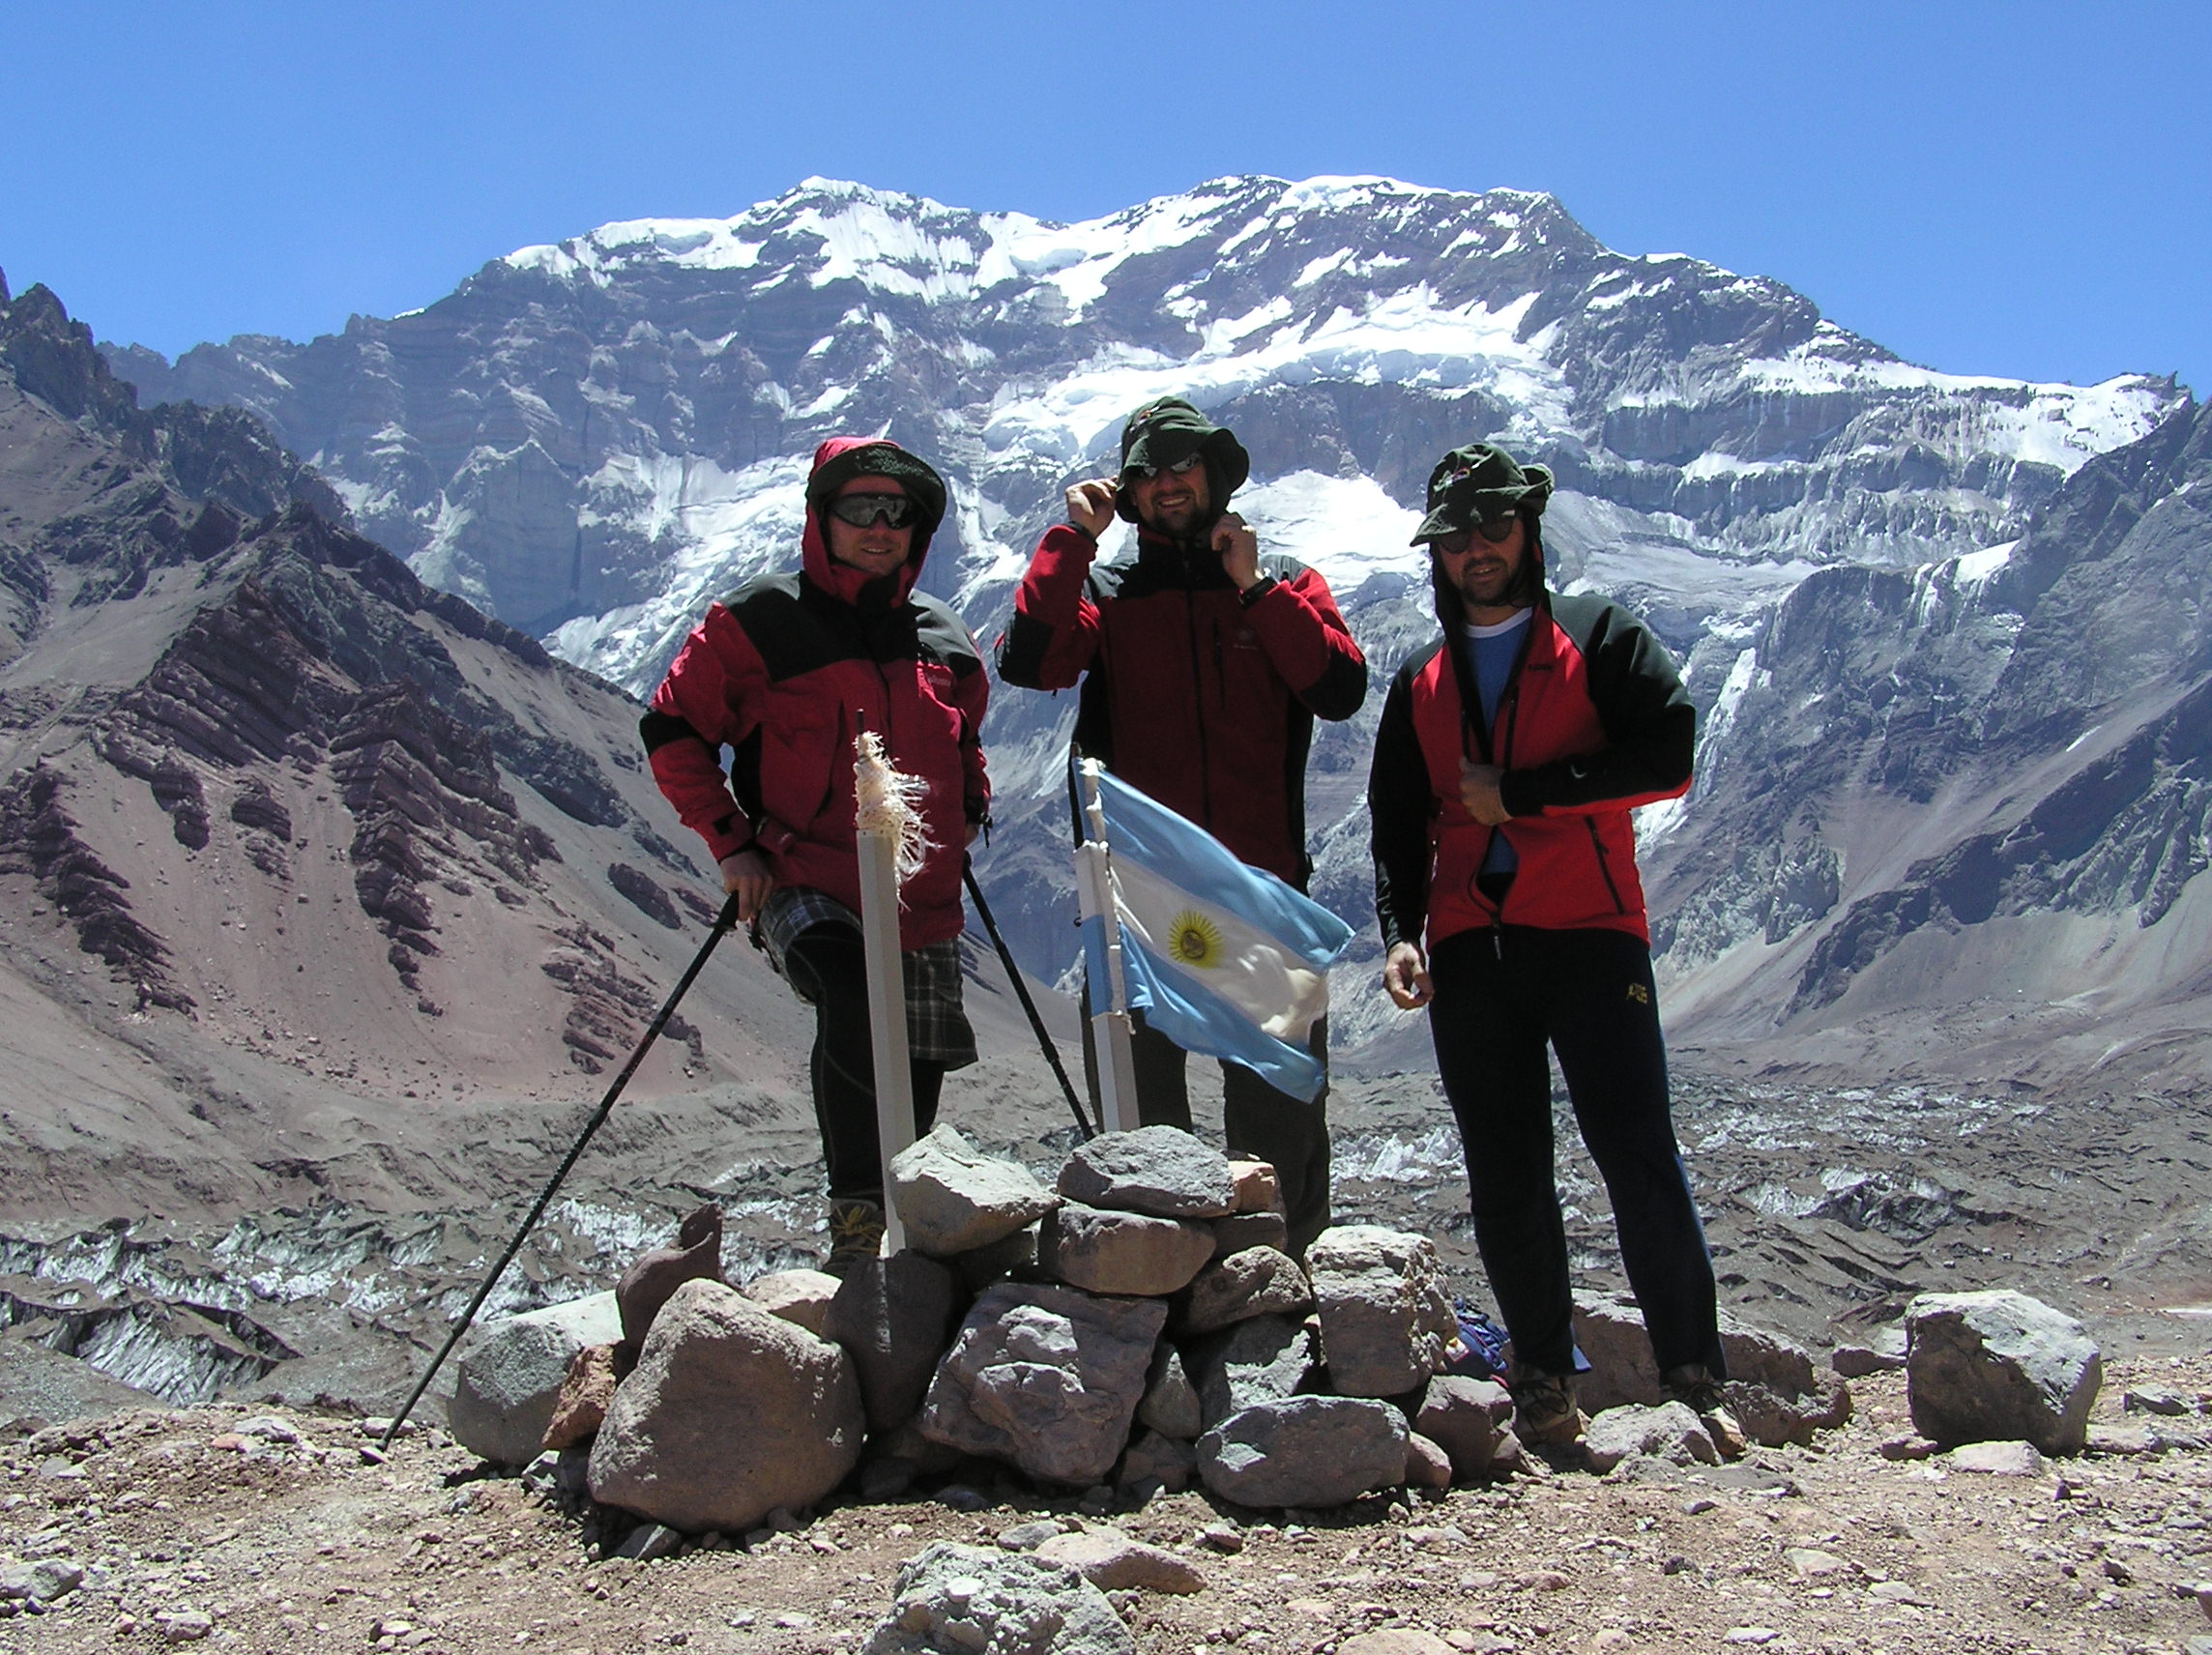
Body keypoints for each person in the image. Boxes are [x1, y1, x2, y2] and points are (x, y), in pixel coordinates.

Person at [1366, 441, 1737, 1453]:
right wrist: (1400, 933)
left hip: (1587, 936)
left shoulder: (1596, 633)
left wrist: (1526, 794)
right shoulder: (1419, 676)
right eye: (1455, 536)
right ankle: (1538, 1376)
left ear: (1527, 531)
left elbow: (1667, 753)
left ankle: (1693, 1374)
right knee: (1504, 1166)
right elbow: (1397, 819)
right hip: (1471, 952)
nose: (1474, 549)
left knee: (1634, 1153)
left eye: (1492, 527)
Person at [998, 396, 1366, 1255]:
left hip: (1262, 898)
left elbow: (1339, 689)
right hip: (1135, 905)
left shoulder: (1284, 589)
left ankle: (1285, 1300)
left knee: (1280, 1143)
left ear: (1215, 473)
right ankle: (1154, 1316)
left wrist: (1256, 589)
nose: (1167, 483)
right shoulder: (1106, 592)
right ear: (1129, 493)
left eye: (1181, 464)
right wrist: (1072, 540)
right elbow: (1029, 660)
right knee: (1140, 1138)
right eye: (1146, 472)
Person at [641, 437, 989, 1275]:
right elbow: (672, 727)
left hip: (920, 895)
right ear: (820, 517)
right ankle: (858, 1217)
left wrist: (970, 807)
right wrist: (732, 843)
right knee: (851, 989)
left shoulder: (943, 637)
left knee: (917, 1052)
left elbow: (965, 742)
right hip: (807, 876)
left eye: (897, 513)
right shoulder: (760, 622)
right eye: (859, 508)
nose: (879, 527)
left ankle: (910, 1225)